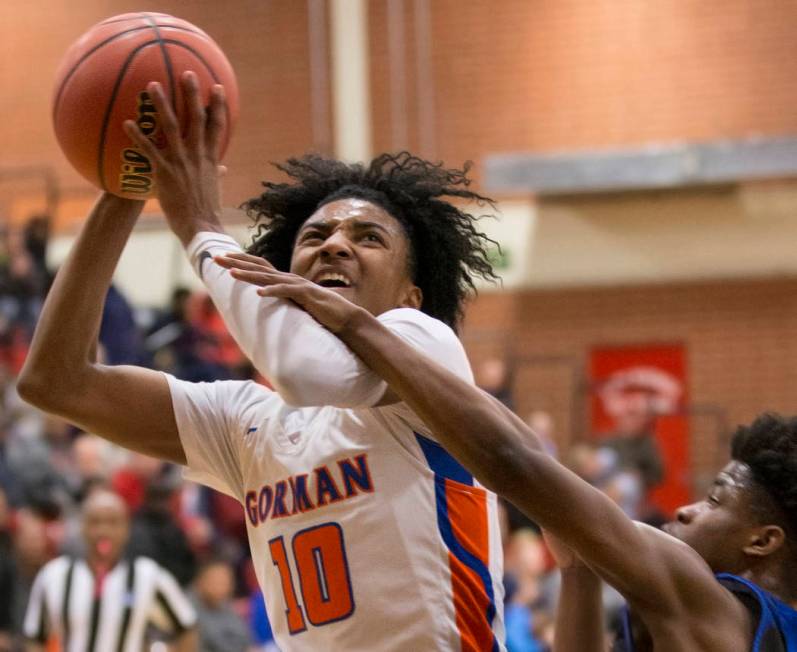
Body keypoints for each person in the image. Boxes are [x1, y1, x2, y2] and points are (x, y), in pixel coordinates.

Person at [19, 70, 505, 650]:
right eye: (315, 234)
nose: (335, 243)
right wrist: (129, 180)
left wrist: (201, 228)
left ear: (410, 295)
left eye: (368, 237)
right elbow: (55, 381)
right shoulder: (247, 423)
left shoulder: (425, 345)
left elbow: (310, 373)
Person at [217, 258, 797, 650]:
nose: (691, 510)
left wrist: (359, 326)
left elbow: (513, 461)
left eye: (717, 500)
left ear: (763, 540)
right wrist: (577, 575)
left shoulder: (720, 611)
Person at [22, 487, 196, 652]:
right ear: (82, 527)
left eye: (112, 522)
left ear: (127, 529)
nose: (103, 530)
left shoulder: (149, 576)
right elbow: (35, 637)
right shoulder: (54, 575)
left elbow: (187, 627)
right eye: (95, 522)